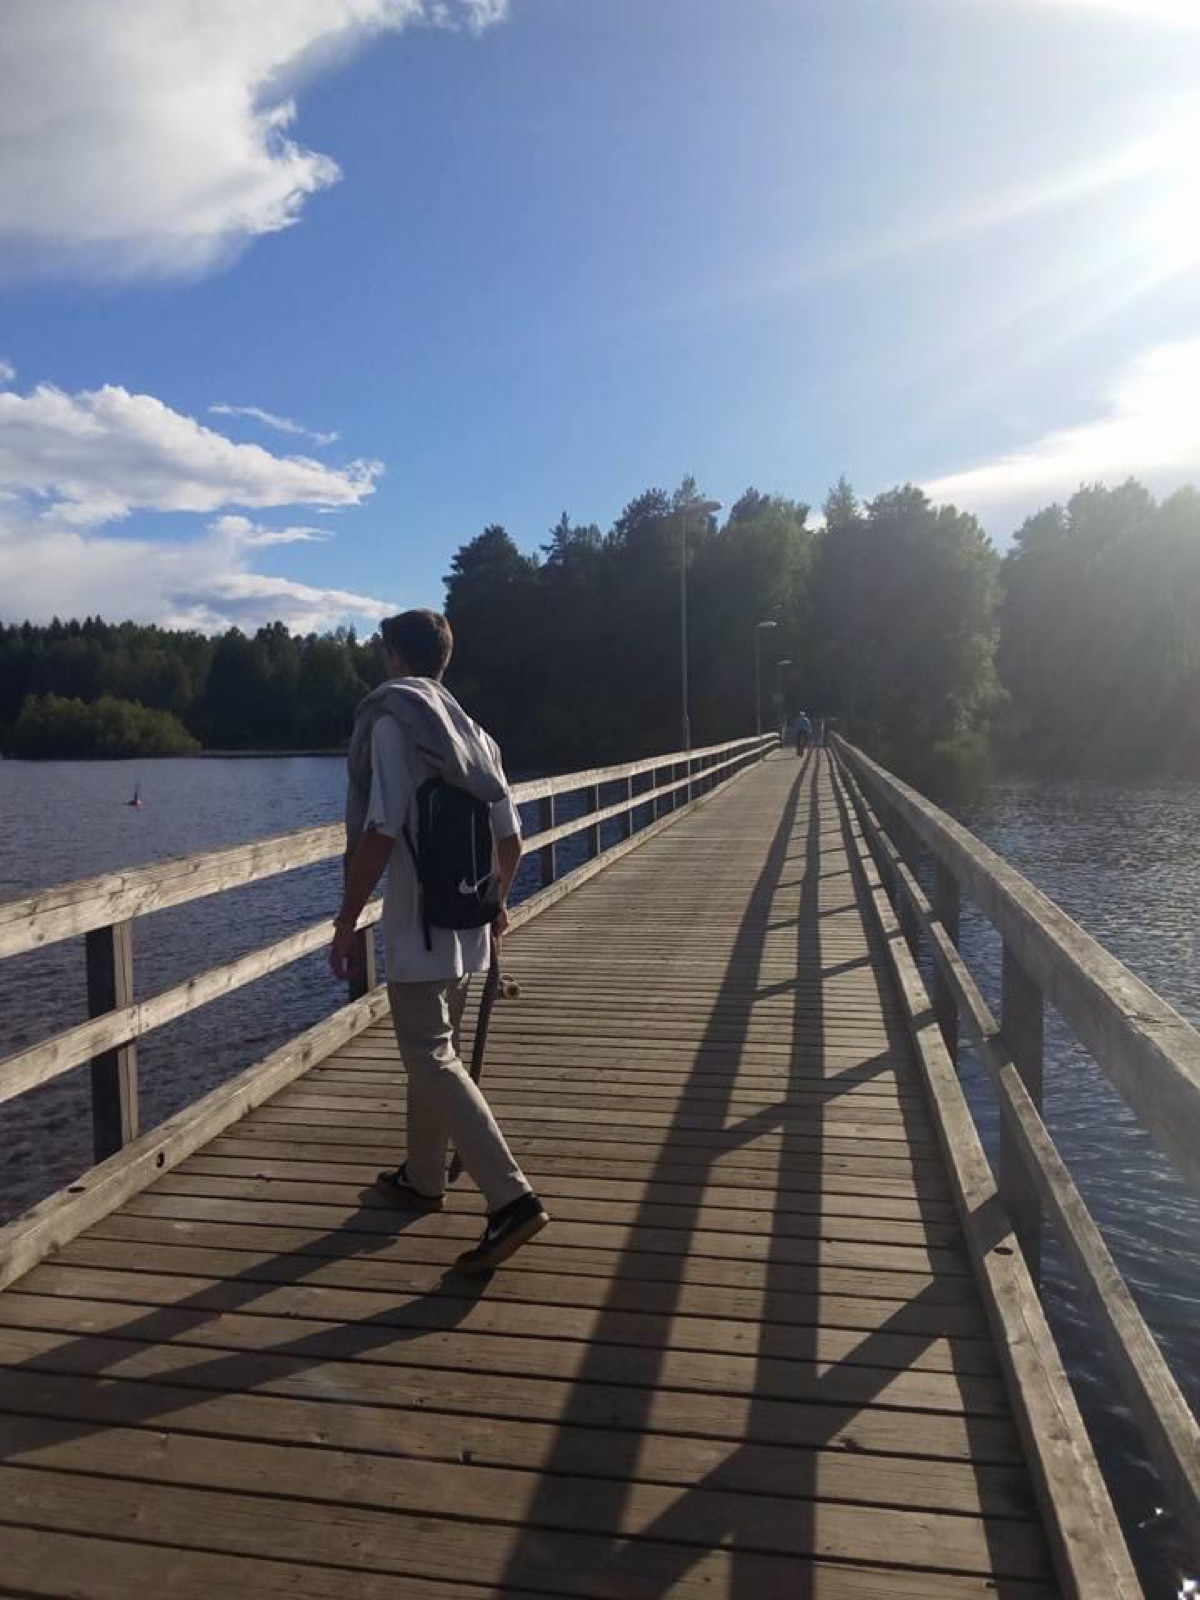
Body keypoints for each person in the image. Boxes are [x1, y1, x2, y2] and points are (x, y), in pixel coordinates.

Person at [330, 609, 548, 1273]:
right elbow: (511, 841)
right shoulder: (474, 734)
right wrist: (495, 903)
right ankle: (424, 1176)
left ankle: (511, 1198)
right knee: (434, 1050)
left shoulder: (394, 725)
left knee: (428, 1055)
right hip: (467, 925)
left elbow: (380, 832)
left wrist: (346, 920)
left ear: (396, 657)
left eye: (384, 652)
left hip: (418, 927)